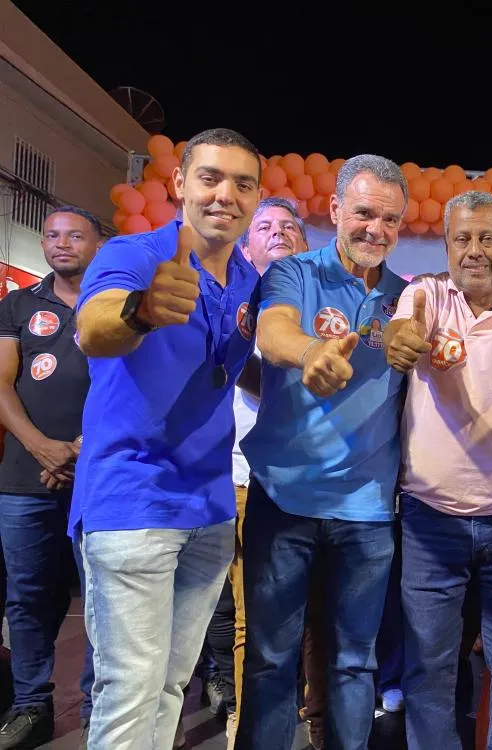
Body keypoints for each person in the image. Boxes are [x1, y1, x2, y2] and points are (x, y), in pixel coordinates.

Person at [71, 127, 262, 749]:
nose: (225, 195)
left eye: (242, 183)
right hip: (134, 503)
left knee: (170, 688)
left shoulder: (246, 279)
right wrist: (142, 309)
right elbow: (94, 327)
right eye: (210, 177)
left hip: (208, 509)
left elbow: (236, 364)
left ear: (256, 198)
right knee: (130, 693)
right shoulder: (135, 254)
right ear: (179, 183)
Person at [235, 154, 409, 750]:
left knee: (355, 664)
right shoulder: (293, 272)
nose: (375, 230)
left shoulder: (405, 298)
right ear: (335, 209)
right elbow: (273, 329)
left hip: (368, 511)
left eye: (389, 220)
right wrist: (311, 352)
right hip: (284, 499)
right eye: (363, 213)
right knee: (269, 659)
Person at [385, 191, 492, 750]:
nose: (475, 250)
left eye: (487, 238)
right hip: (430, 519)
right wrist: (401, 341)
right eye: (463, 238)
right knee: (429, 672)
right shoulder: (426, 294)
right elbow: (403, 330)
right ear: (447, 245)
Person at [193, 196, 309, 746]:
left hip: (314, 481)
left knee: (315, 618)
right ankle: (249, 719)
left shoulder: (322, 302)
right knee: (251, 617)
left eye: (289, 226)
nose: (279, 233)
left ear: (305, 243)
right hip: (243, 477)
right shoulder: (233, 299)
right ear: (248, 244)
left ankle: (312, 713)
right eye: (265, 227)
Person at [0, 207, 101, 750]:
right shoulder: (18, 305)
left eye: (75, 235)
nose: (61, 244)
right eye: (52, 235)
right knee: (28, 598)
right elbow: (2, 384)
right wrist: (43, 447)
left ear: (97, 244)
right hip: (25, 479)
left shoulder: (115, 305)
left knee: (102, 601)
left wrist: (84, 448)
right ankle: (30, 706)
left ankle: (96, 710)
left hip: (99, 475)